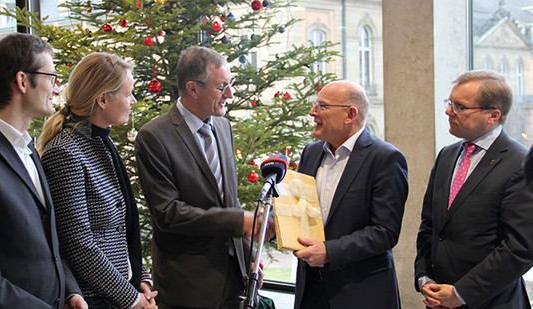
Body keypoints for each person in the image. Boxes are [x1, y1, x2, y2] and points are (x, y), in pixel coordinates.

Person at [0, 33, 86, 308]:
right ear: (22, 81)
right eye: (51, 77)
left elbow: (45, 243)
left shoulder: (27, 148)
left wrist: (70, 292)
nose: (56, 88)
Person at [135, 46, 264, 309]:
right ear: (192, 89)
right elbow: (169, 214)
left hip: (233, 283)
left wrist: (249, 258)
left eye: (231, 84)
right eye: (222, 87)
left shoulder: (224, 127)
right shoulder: (154, 137)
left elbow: (230, 200)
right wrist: (240, 221)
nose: (230, 94)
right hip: (189, 289)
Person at [38, 52, 157, 309]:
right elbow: (78, 243)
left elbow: (123, 226)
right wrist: (130, 298)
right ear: (103, 99)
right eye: (128, 94)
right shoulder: (65, 152)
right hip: (92, 299)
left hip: (118, 292)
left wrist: (142, 277)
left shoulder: (102, 140)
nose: (133, 101)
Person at [415, 69, 533, 308]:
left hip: (492, 301)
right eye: (450, 103)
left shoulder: (520, 163)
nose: (449, 111)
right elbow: (430, 226)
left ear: (493, 115)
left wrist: (461, 293)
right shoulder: (447, 156)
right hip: (437, 298)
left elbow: (520, 247)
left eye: (460, 106)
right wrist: (424, 277)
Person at [293, 80, 408, 309]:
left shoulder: (385, 158)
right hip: (311, 290)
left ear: (350, 114)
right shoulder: (311, 152)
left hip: (360, 292)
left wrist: (329, 252)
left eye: (322, 106)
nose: (312, 112)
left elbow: (385, 232)